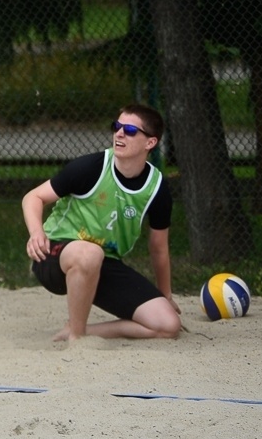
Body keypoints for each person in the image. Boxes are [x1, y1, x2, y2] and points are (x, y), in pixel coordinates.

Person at [21, 106, 181, 342]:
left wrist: (165, 293)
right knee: (89, 253)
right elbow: (33, 197)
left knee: (167, 326)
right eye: (116, 127)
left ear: (150, 143)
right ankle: (77, 339)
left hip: (103, 261)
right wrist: (36, 233)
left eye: (129, 130)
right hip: (54, 253)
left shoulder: (156, 188)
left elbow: (159, 247)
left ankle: (80, 331)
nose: (119, 134)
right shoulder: (91, 168)